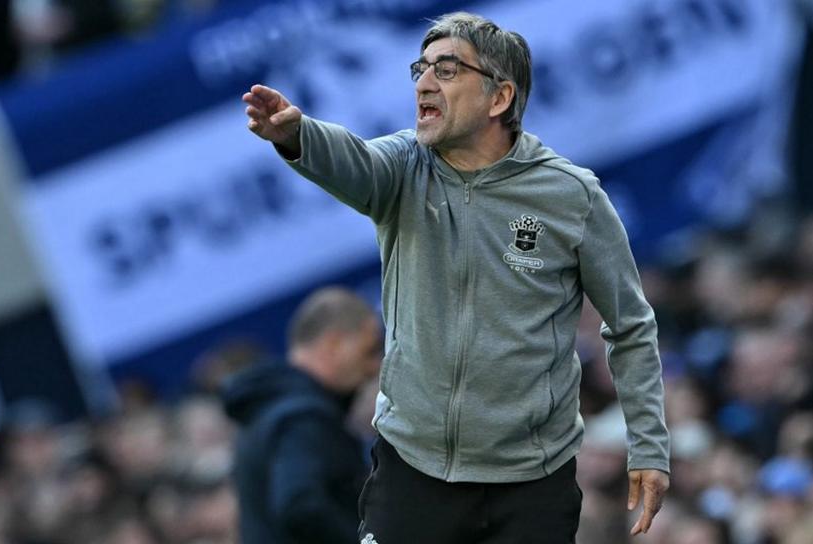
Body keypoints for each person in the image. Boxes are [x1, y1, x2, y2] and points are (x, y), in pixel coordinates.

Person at [242, 12, 670, 543]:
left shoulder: (572, 197)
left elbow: (630, 325)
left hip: (531, 483)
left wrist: (648, 443)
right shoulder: (402, 167)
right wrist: (297, 136)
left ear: (499, 98)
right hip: (413, 472)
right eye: (420, 68)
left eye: (446, 70)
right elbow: (350, 160)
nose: (424, 81)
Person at [222, 287, 382, 544]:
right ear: (334, 344)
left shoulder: (271, 409)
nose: (374, 366)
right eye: (369, 350)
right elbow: (299, 505)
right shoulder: (301, 417)